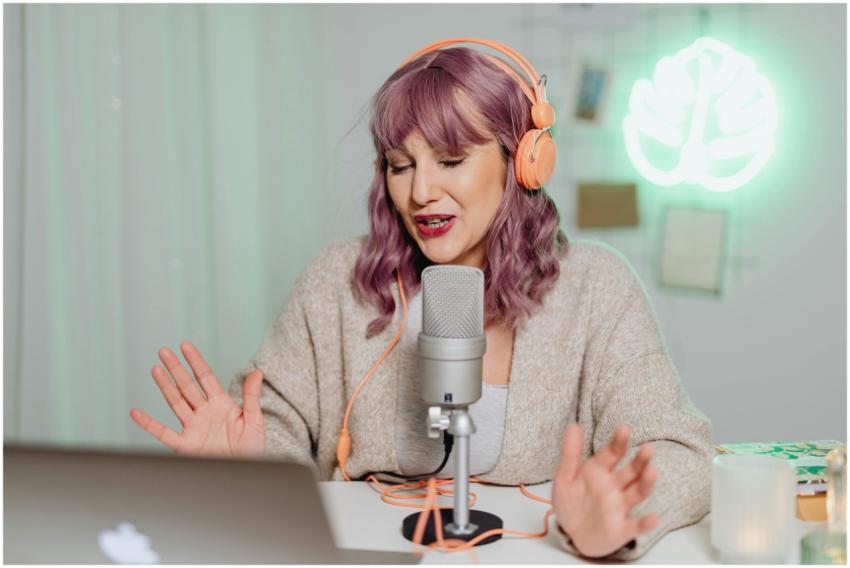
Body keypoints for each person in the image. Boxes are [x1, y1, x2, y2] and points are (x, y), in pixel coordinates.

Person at [130, 38, 712, 561]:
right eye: (399, 166)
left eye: (451, 161)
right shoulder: (339, 281)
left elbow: (678, 451)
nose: (420, 192)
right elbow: (275, 426)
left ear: (522, 164)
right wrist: (247, 472)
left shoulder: (594, 287)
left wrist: (616, 519)